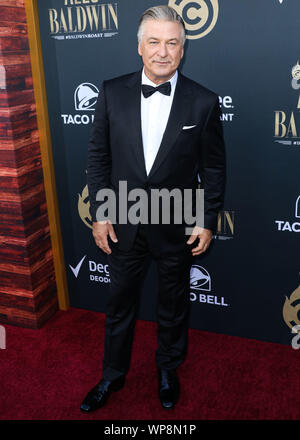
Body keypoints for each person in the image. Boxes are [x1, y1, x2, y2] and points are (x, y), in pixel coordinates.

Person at [81, 5, 226, 412]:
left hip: (176, 222)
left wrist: (206, 218)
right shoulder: (111, 91)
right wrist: (102, 212)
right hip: (124, 221)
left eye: (172, 43)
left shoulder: (203, 101)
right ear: (140, 47)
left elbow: (213, 166)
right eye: (154, 42)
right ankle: (112, 374)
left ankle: (167, 369)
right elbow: (98, 157)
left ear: (183, 50)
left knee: (173, 303)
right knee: (119, 303)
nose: (163, 51)